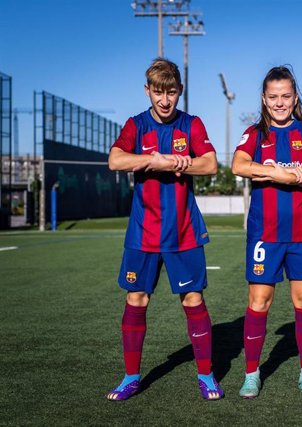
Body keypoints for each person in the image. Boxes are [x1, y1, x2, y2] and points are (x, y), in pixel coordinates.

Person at [106, 58, 222, 401]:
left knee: (193, 297)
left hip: (183, 229)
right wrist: (153, 160)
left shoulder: (192, 124)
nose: (165, 99)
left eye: (171, 92)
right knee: (136, 297)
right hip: (142, 231)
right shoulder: (136, 125)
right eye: (158, 92)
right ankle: (130, 377)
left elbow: (211, 163)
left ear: (180, 91)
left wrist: (184, 162)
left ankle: (206, 375)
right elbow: (115, 159)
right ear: (148, 91)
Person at [231, 66, 302, 398]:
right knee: (259, 302)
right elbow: (239, 165)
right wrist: (281, 174)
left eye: (285, 96)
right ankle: (251, 374)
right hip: (264, 233)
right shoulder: (255, 133)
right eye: (273, 97)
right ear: (263, 98)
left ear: (295, 97)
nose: (279, 103)